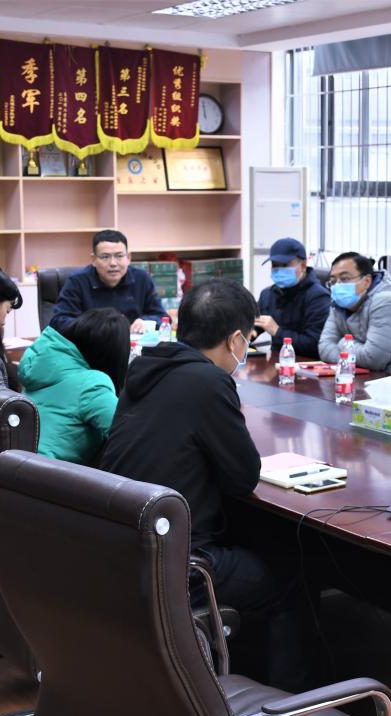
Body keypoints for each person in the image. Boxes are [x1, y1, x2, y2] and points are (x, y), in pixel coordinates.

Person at [100, 278, 312, 690]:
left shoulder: (144, 369)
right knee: (294, 576)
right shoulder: (209, 382)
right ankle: (289, 704)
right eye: (248, 338)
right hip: (178, 564)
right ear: (236, 339)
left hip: (123, 548)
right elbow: (243, 476)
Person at [19, 308, 129, 466]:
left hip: (16, 465)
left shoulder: (45, 366)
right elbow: (128, 435)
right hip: (47, 474)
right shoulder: (92, 384)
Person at [318, 252, 391, 373]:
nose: (337, 286)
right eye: (333, 281)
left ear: (367, 281)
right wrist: (351, 353)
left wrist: (343, 343)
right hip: (370, 374)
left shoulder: (386, 302)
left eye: (345, 279)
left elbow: (373, 359)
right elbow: (324, 349)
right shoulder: (339, 304)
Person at [48, 229, 166, 334]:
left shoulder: (142, 279)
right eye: (105, 257)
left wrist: (146, 322)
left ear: (128, 258)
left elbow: (162, 317)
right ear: (93, 260)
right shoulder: (77, 281)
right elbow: (59, 321)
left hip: (134, 346)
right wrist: (94, 327)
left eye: (119, 256)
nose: (113, 263)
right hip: (91, 345)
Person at [255, 237, 330, 357]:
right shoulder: (267, 294)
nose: (279, 270)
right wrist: (251, 332)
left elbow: (315, 344)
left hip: (307, 363)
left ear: (303, 265)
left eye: (285, 265)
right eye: (275, 265)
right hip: (276, 361)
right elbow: (257, 323)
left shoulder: (319, 297)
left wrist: (277, 331)